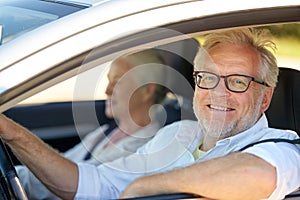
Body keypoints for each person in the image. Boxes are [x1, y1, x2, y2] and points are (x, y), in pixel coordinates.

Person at [0, 28, 299, 200]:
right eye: (207, 77)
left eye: (238, 82)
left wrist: (141, 188)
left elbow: (256, 174)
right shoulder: (177, 133)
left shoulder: (284, 148)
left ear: (265, 98)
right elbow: (97, 184)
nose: (218, 93)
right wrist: (12, 134)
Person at [15, 49, 170, 199]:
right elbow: (65, 161)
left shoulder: (142, 148)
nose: (107, 90)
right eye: (109, 81)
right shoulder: (107, 131)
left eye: (117, 81)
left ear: (147, 91)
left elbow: (70, 181)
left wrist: (15, 138)